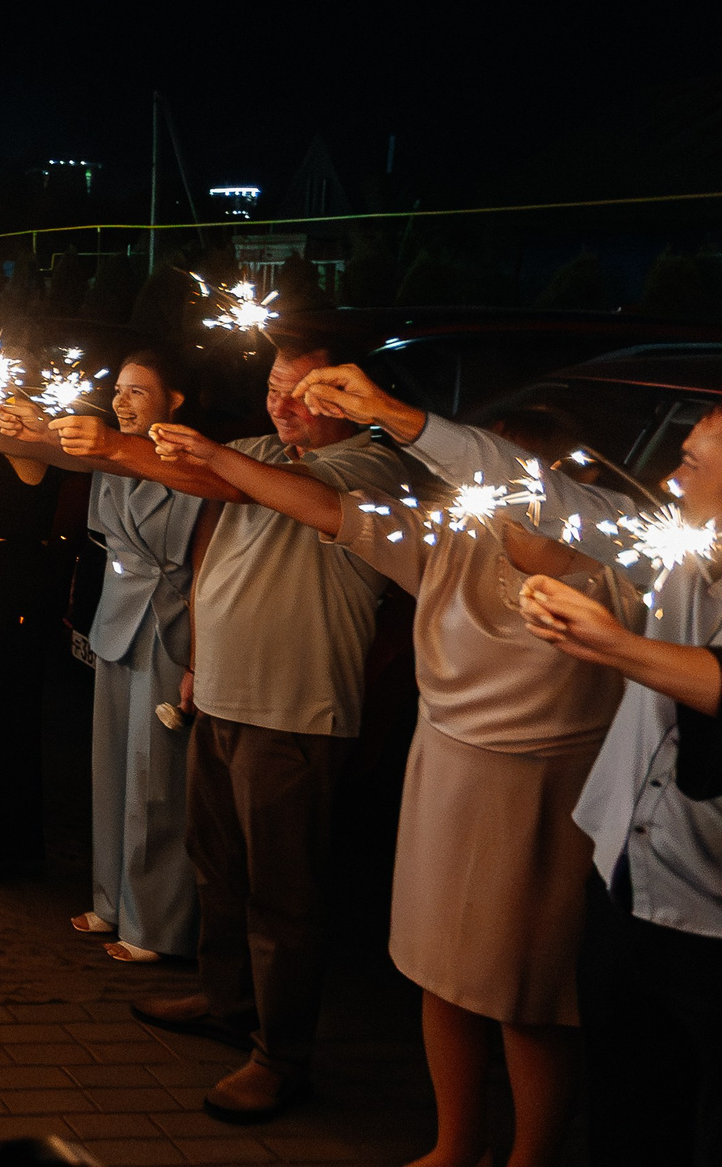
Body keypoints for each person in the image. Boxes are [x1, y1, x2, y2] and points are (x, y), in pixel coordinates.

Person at [152, 401, 627, 1167]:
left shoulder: (619, 571)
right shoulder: (449, 540)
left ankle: (530, 1155)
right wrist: (213, 454)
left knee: (528, 997)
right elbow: (324, 507)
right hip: (445, 774)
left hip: (546, 791)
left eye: (495, 473)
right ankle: (454, 1143)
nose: (473, 488)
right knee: (441, 974)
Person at [303, 362, 722, 1166]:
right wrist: (400, 415)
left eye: (692, 464)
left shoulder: (642, 580)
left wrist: (615, 645)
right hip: (628, 876)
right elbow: (535, 491)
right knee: (632, 1110)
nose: (669, 476)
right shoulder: (668, 552)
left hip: (706, 906)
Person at [52, 335, 406, 1123]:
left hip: (295, 708)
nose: (283, 404)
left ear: (354, 395)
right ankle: (225, 998)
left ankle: (282, 1058)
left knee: (283, 891)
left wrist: (143, 451)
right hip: (221, 692)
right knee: (218, 863)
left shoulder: (375, 467)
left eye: (307, 392)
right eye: (276, 386)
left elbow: (260, 488)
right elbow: (205, 496)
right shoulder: (250, 449)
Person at [0, 350, 205, 961]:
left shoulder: (188, 459)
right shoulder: (103, 452)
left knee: (154, 777)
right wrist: (2, 423)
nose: (123, 402)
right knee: (110, 767)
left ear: (175, 401)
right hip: (116, 618)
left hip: (167, 623)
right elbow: (31, 443)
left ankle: (155, 922)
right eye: (119, 390)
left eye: (139, 391)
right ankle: (110, 899)